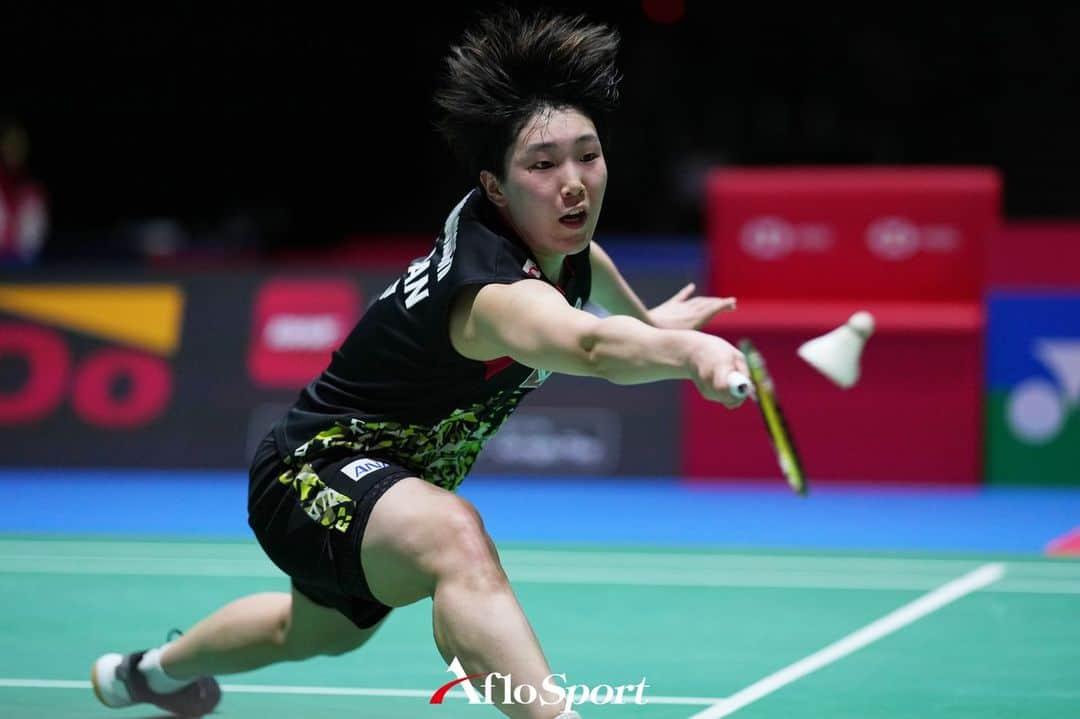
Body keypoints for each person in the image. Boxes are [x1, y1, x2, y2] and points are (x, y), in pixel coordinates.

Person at [91, 7, 749, 718]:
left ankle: (144, 674)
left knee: (312, 632)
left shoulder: (544, 240)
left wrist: (649, 319)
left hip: (382, 482)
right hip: (311, 467)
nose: (574, 183)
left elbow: (586, 264)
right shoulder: (494, 295)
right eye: (543, 163)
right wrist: (692, 353)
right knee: (455, 541)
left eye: (587, 155)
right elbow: (590, 347)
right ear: (495, 187)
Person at [0, 117, 49, 266]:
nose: (13, 150)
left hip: (24, 271)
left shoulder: (32, 191)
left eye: (18, 145)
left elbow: (32, 242)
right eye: (9, 144)